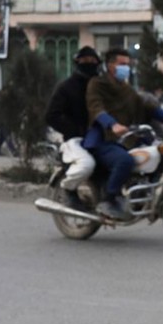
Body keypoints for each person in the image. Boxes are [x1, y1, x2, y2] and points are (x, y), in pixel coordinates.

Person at [84, 48, 163, 220]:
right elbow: (96, 108)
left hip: (126, 139)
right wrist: (112, 124)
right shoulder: (96, 84)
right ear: (110, 65)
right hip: (103, 140)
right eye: (122, 64)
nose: (126, 68)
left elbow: (145, 106)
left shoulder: (126, 89)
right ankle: (109, 200)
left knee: (158, 155)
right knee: (125, 160)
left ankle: (144, 196)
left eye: (128, 65)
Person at [44, 46, 100, 210]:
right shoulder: (67, 87)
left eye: (92, 61)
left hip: (100, 137)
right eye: (85, 61)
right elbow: (51, 115)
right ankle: (68, 189)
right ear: (78, 63)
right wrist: (75, 130)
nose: (89, 64)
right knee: (86, 164)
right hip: (75, 139)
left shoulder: (101, 86)